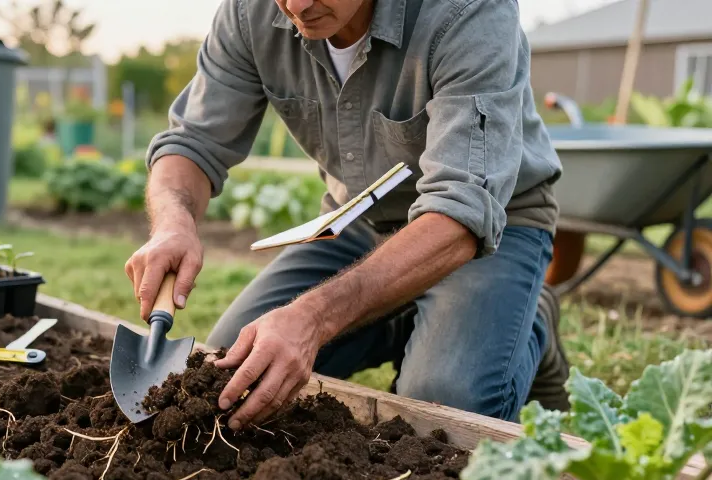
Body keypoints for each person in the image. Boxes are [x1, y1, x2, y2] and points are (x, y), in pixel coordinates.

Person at [124, 0, 570, 431]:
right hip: (358, 219)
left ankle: (530, 324)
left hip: (484, 229)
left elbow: (460, 210)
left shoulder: (468, 10)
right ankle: (411, 316)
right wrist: (172, 223)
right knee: (239, 366)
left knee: (444, 403)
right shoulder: (249, 12)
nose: (296, 5)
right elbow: (192, 143)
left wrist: (315, 317)